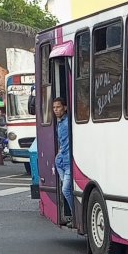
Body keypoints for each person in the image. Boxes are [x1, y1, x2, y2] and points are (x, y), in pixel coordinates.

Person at [53, 97, 74, 226]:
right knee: (67, 189)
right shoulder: (59, 123)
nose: (56, 110)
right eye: (54, 108)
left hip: (68, 162)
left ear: (65, 108)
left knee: (66, 189)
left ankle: (75, 216)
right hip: (60, 161)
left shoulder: (68, 123)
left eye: (58, 107)